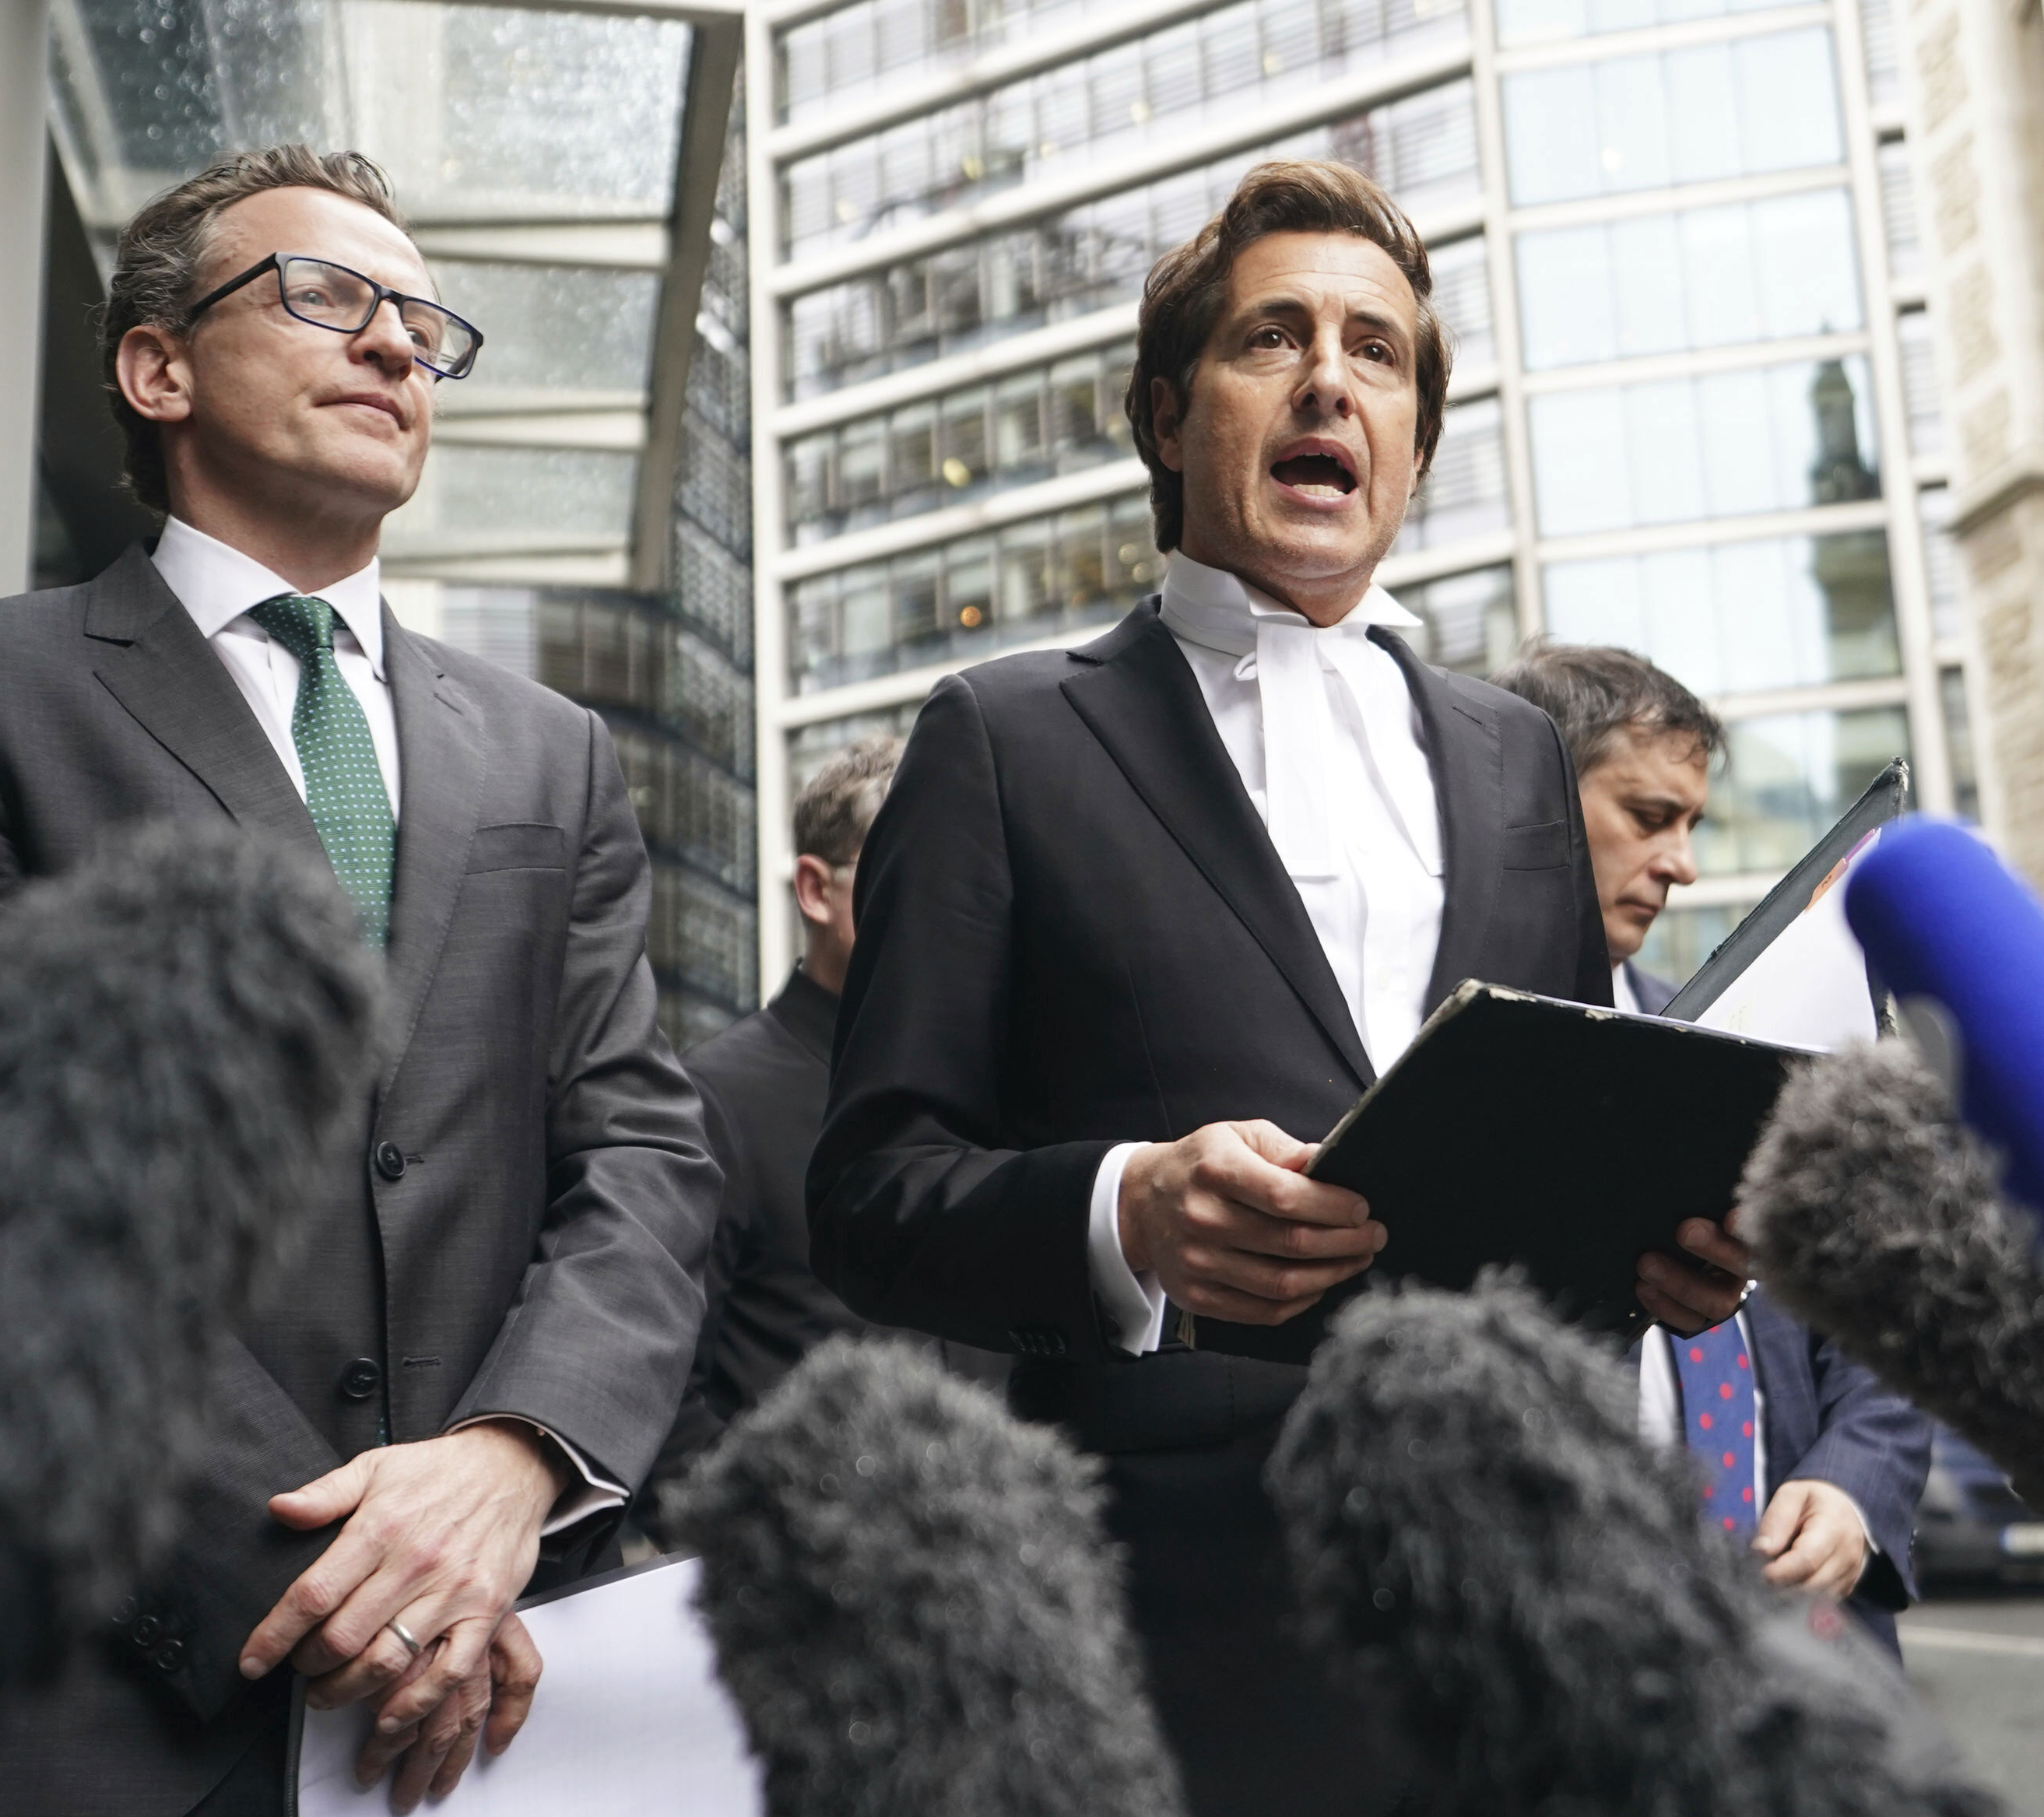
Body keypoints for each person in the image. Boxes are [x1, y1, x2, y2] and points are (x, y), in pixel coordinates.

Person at [807, 161, 1754, 1817]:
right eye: (1275, 338)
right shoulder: (1003, 736)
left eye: (1378, 353)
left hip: (1520, 1621)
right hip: (1173, 1625)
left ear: (1410, 442)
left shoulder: (1517, 754)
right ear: (1171, 415)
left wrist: (1665, 1245)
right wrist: (1129, 1215)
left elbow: (1558, 1152)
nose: (1333, 378)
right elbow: (874, 1194)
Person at [0, 147, 716, 1816]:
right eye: (326, 296)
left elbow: (641, 1163)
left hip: (499, 1702)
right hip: (109, 1691)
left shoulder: (551, 756)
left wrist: (515, 1467)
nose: (393, 346)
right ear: (156, 370)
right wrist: (351, 1582)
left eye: (423, 322)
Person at [1489, 640, 1933, 1650]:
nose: (1682, 865)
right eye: (1649, 817)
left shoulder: (1749, 1044)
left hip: (1813, 1661)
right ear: (1530, 801)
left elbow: (1880, 1323)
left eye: (1691, 825)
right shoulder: (1447, 1074)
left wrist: (1852, 1484)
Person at [644, 737, 1003, 1513]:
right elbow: (665, 1407)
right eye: (911, 874)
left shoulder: (1004, 1084)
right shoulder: (710, 1100)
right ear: (814, 888)